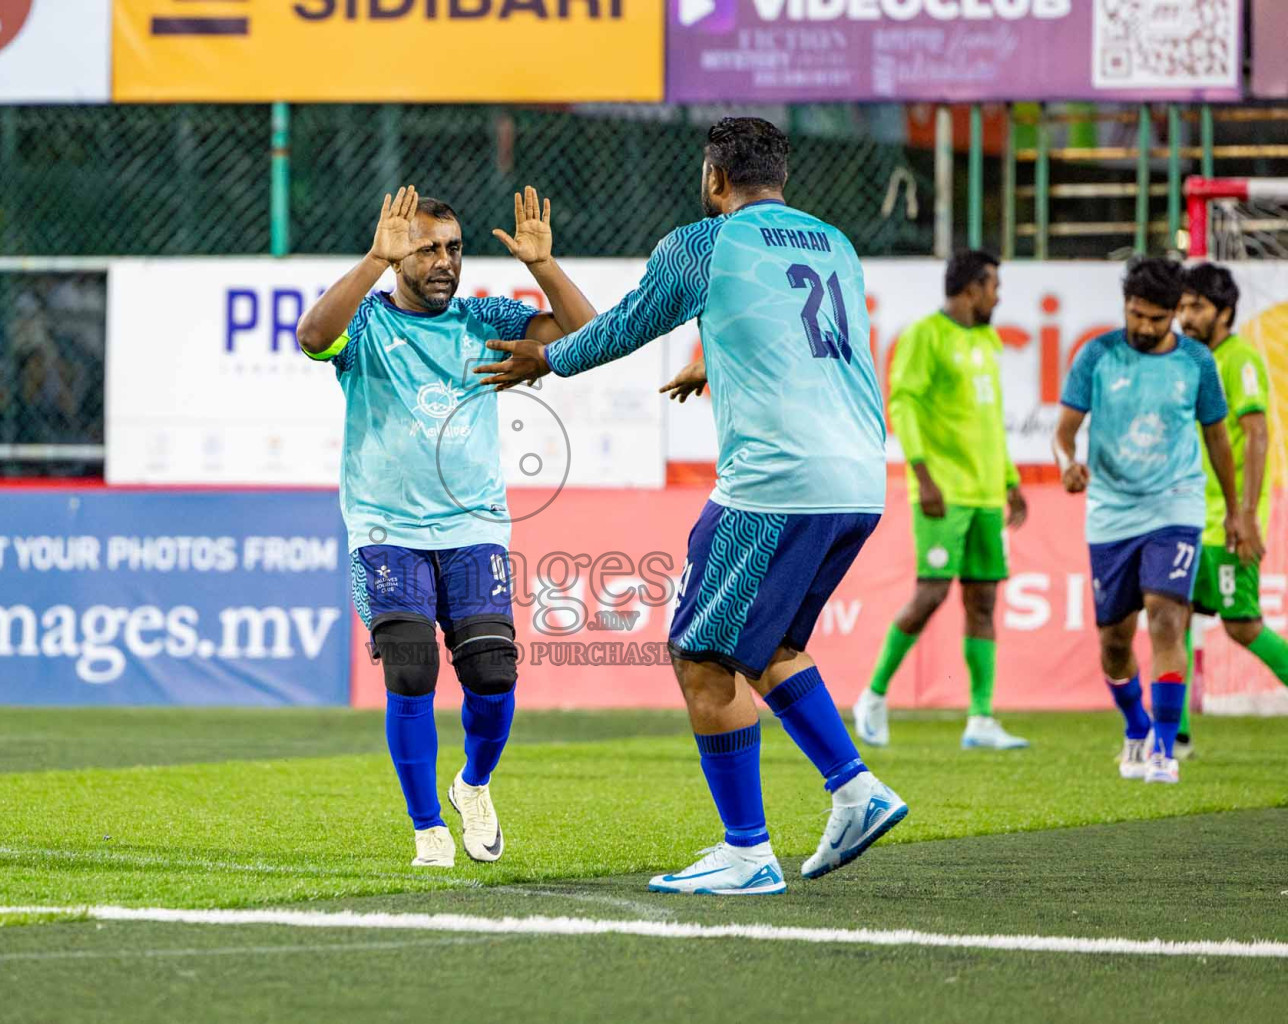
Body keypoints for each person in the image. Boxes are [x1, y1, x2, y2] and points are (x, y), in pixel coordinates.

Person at [477, 117, 906, 894]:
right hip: (858, 476)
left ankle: (747, 852)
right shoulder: (833, 242)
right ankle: (853, 788)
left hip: (776, 481)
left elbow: (632, 323)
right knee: (766, 644)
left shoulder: (704, 243)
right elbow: (806, 337)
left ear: (714, 177)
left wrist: (549, 356)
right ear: (783, 175)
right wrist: (718, 359)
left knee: (700, 655)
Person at [296, 186, 596, 868]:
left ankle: (473, 785)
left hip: (473, 527)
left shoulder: (483, 318)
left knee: (492, 675)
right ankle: (427, 827)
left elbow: (588, 335)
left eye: (453, 249)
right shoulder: (366, 325)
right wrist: (375, 257)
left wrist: (544, 267)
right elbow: (313, 338)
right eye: (426, 248)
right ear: (400, 254)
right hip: (385, 527)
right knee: (411, 669)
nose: (442, 262)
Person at [1052, 257, 1252, 786]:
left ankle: (1164, 748)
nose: (1144, 326)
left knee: (1167, 616)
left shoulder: (1197, 362)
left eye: (1157, 318)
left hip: (1176, 504)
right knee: (1114, 641)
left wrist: (1236, 511)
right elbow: (1064, 431)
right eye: (1136, 314)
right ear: (1126, 306)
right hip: (1112, 513)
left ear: (1172, 315)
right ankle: (1136, 726)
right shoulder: (1097, 355)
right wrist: (1066, 464)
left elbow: (1216, 439)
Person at [855, 251, 1029, 751]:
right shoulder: (924, 336)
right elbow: (903, 404)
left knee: (983, 601)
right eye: (993, 285)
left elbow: (989, 422)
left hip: (984, 496)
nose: (998, 296)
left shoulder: (986, 340)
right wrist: (922, 475)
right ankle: (873, 694)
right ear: (973, 289)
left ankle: (980, 718)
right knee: (931, 594)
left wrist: (1011, 480)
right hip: (943, 493)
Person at [1178, 263, 1285, 752]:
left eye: (1196, 306)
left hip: (1226, 521)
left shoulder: (1237, 358)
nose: (1185, 316)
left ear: (1224, 311)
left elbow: (1258, 433)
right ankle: (1173, 736)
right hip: (1187, 515)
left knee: (1241, 624)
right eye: (1181, 306)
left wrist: (1244, 514)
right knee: (1172, 614)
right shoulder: (1193, 359)